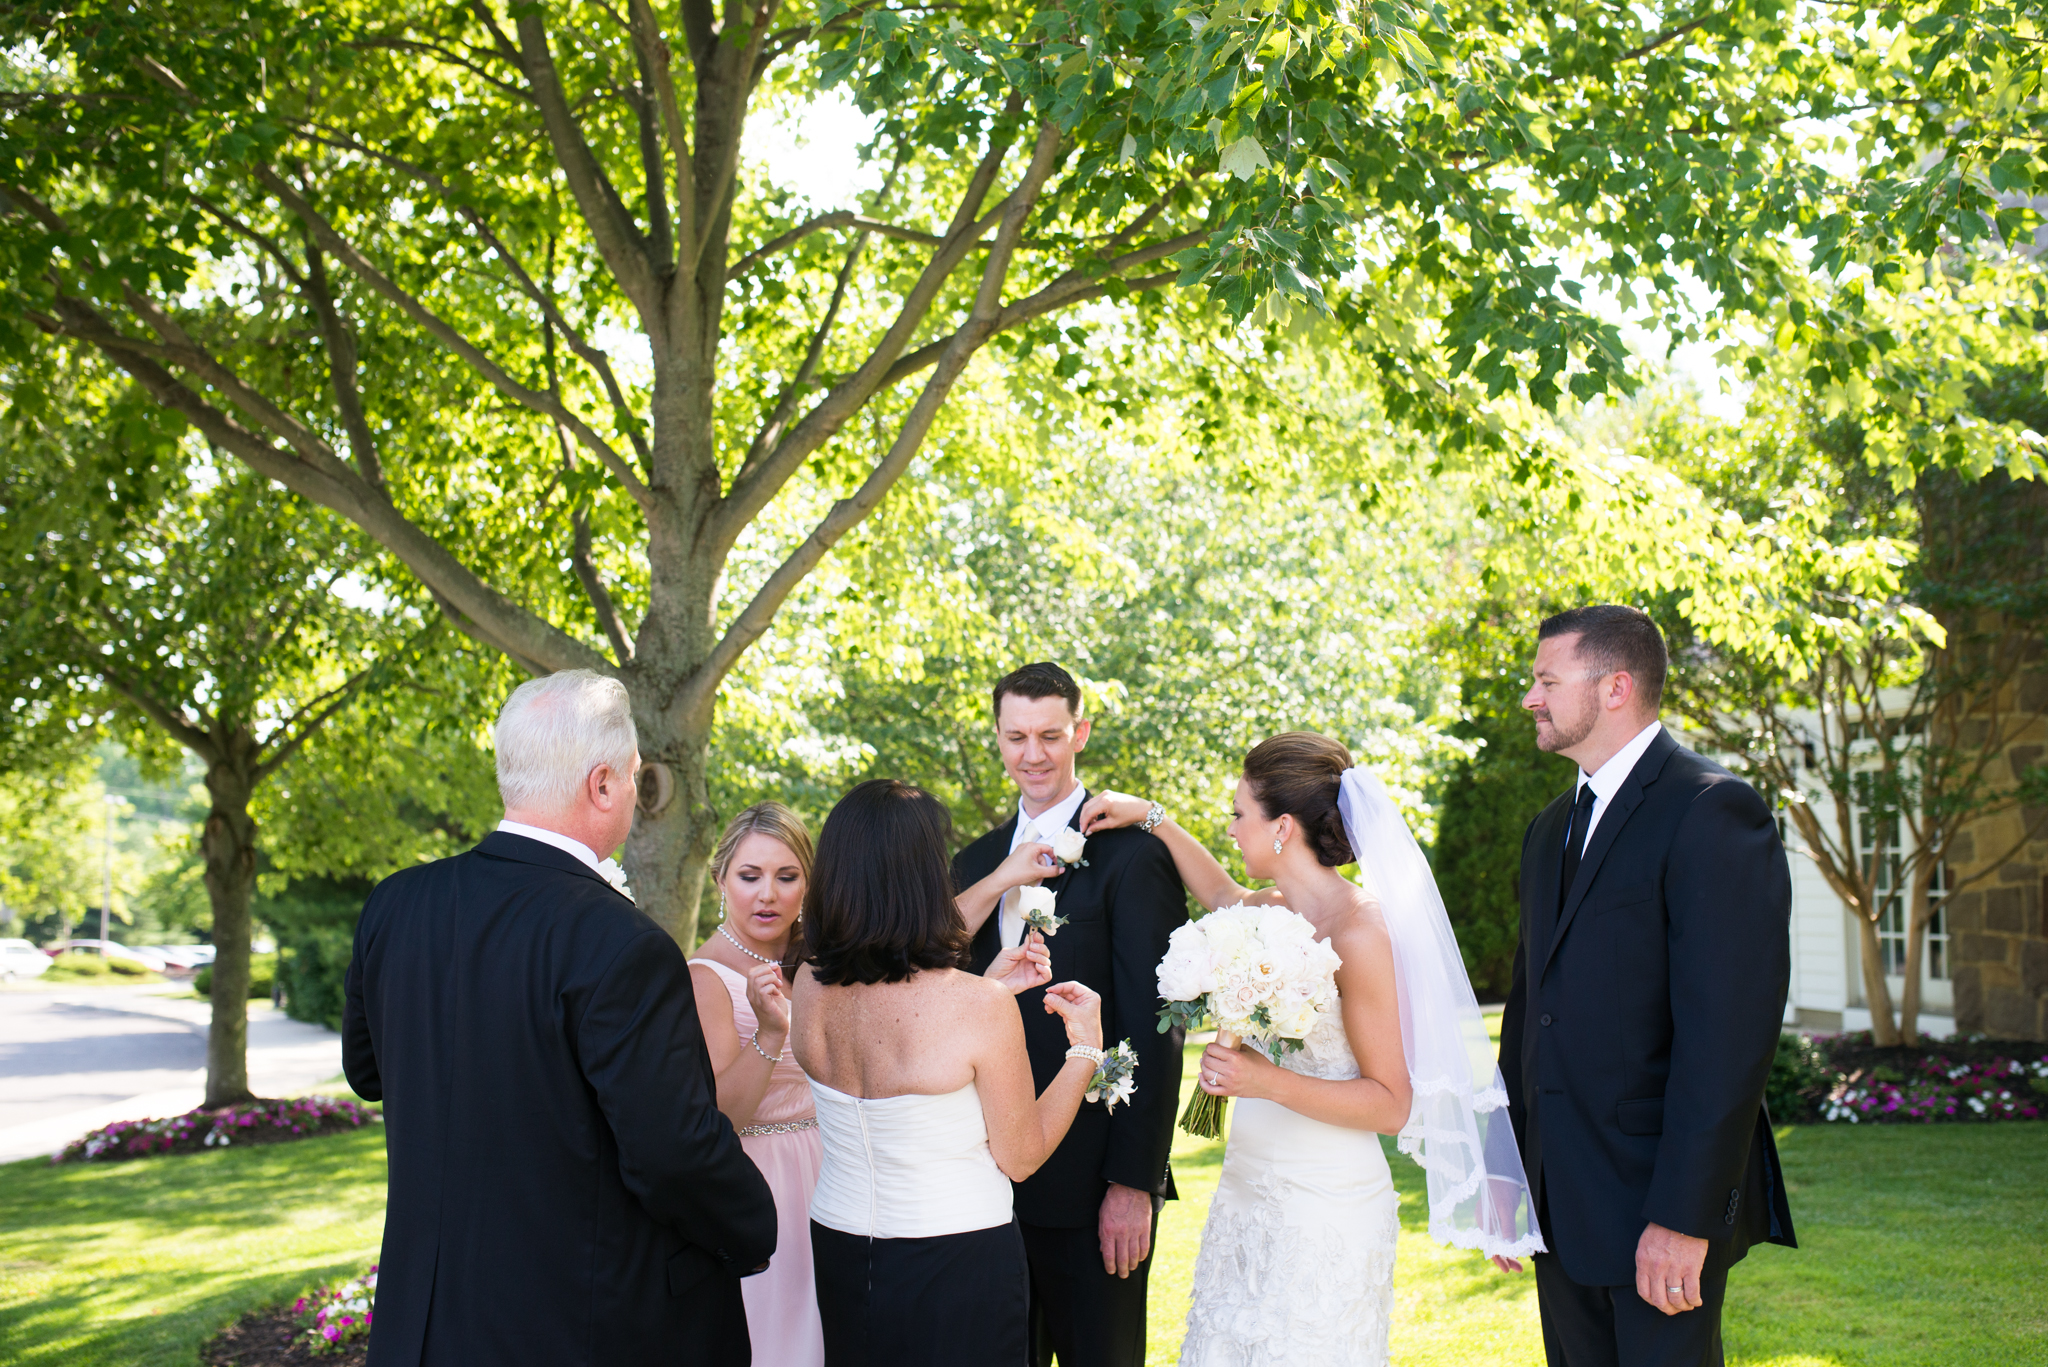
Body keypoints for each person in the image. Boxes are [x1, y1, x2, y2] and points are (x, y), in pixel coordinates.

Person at [342, 670, 777, 1365]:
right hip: (577, 1324)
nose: (634, 792)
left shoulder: (395, 905)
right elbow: (673, 1154)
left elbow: (368, 1070)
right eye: (634, 776)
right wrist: (755, 1225)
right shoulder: (621, 943)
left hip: (423, 1324)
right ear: (602, 784)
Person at [1081, 733, 1542, 1366]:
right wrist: (1155, 817)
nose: (1233, 826)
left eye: (1240, 813)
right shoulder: (1272, 910)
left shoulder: (1363, 931)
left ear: (1283, 827)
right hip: (1246, 1188)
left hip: (1326, 1205)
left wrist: (1265, 1081)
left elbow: (1391, 1104)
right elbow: (1220, 897)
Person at [1504, 605, 1797, 1367]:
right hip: (1557, 1204)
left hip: (1653, 1210)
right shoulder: (1548, 830)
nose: (1531, 696)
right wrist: (1509, 1183)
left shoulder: (1711, 809)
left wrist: (1683, 1217)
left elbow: (1728, 1040)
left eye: (1546, 679)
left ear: (1615, 687)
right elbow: (1531, 1018)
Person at [789, 778, 1098, 1367]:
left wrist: (981, 994)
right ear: (926, 877)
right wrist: (1084, 1050)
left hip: (841, 1245)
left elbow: (894, 1015)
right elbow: (1022, 1155)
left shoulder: (809, 983)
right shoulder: (976, 1007)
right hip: (957, 1259)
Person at [950, 663, 1190, 1367]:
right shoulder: (974, 862)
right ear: (997, 737)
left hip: (1092, 1187)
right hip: (984, 1185)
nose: (1033, 753)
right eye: (1017, 735)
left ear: (1079, 732)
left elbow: (1157, 1023)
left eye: (1051, 735)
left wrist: (1132, 1180)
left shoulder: (1133, 857)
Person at [689, 802, 824, 1367]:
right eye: (750, 876)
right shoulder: (703, 977)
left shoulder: (818, 963)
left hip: (834, 1171)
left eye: (786, 876)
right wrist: (769, 1033)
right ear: (722, 879)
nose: (767, 894)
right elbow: (720, 1115)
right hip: (761, 1182)